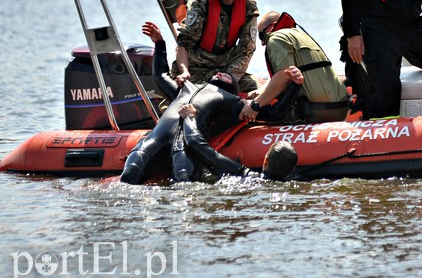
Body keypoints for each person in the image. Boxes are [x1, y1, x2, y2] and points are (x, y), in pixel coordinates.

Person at [120, 22, 302, 184]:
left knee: (182, 179)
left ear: (233, 88)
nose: (222, 73)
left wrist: (295, 85)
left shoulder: (233, 101)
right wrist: (160, 43)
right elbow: (160, 76)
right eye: (221, 72)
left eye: (228, 75)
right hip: (156, 137)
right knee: (129, 174)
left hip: (185, 145)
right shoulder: (185, 87)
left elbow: (275, 113)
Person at [173, 0, 260, 93]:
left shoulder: (249, 6)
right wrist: (184, 71)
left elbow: (247, 49)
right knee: (190, 95)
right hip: (195, 69)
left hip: (226, 69)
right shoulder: (200, 3)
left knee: (257, 91)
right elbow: (183, 42)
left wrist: (230, 78)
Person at [253, 11, 349, 123]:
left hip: (312, 112)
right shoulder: (302, 35)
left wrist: (255, 105)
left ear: (273, 25)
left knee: (253, 113)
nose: (262, 43)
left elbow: (284, 76)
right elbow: (292, 70)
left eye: (261, 35)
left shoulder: (276, 38)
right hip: (341, 110)